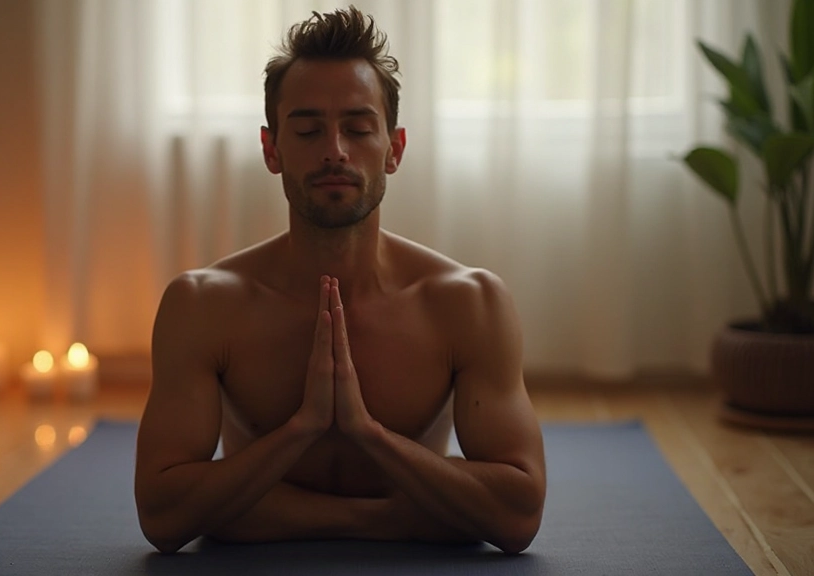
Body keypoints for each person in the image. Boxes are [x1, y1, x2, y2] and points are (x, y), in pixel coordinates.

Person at [134, 5, 545, 555]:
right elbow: (162, 518)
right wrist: (301, 430)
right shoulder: (203, 305)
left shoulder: (469, 303)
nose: (334, 151)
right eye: (307, 130)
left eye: (358, 128)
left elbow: (518, 516)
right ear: (271, 149)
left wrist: (367, 433)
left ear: (394, 149)